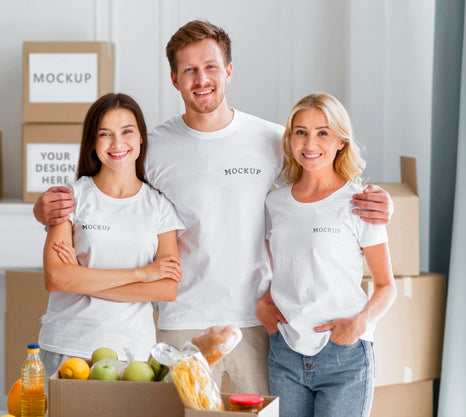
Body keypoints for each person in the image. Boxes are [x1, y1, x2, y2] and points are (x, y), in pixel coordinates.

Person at [34, 21, 392, 393]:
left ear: (228, 71)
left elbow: (322, 187)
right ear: (174, 79)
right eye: (189, 70)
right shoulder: (153, 147)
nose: (201, 79)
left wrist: (382, 204)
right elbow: (112, 194)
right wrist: (42, 210)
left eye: (210, 67)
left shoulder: (272, 140)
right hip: (180, 321)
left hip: (255, 322)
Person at [260, 92, 396, 417]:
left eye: (323, 132)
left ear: (340, 142)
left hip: (345, 354)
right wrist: (263, 304)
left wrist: (361, 323)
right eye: (301, 131)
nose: (310, 143)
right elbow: (274, 267)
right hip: (286, 352)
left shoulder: (360, 202)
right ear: (290, 139)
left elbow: (386, 285)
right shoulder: (274, 204)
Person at [39, 93, 184, 377]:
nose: (118, 144)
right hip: (67, 345)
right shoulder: (71, 198)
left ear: (141, 136)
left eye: (127, 131)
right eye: (105, 134)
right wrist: (141, 274)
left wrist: (80, 277)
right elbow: (56, 278)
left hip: (133, 353)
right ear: (93, 143)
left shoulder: (159, 208)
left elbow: (166, 288)